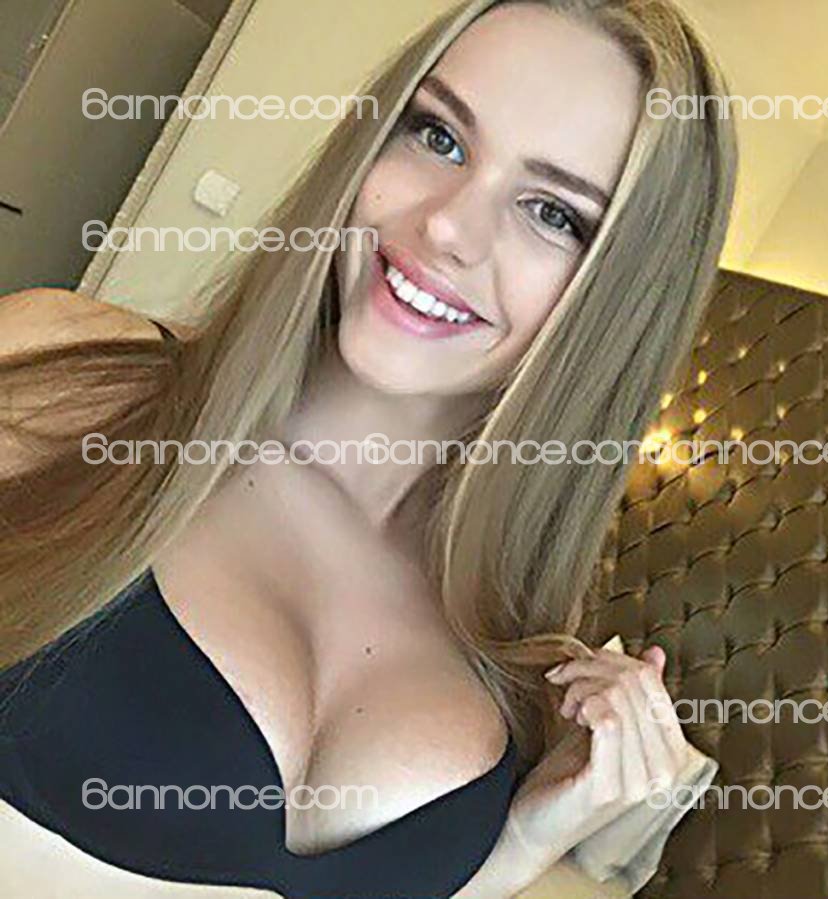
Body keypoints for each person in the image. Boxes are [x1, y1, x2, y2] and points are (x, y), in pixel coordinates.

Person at [0, 0, 736, 895]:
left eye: (553, 213)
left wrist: (522, 843)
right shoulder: (66, 373)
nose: (448, 227)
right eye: (439, 136)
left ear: (621, 302)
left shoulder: (510, 647)